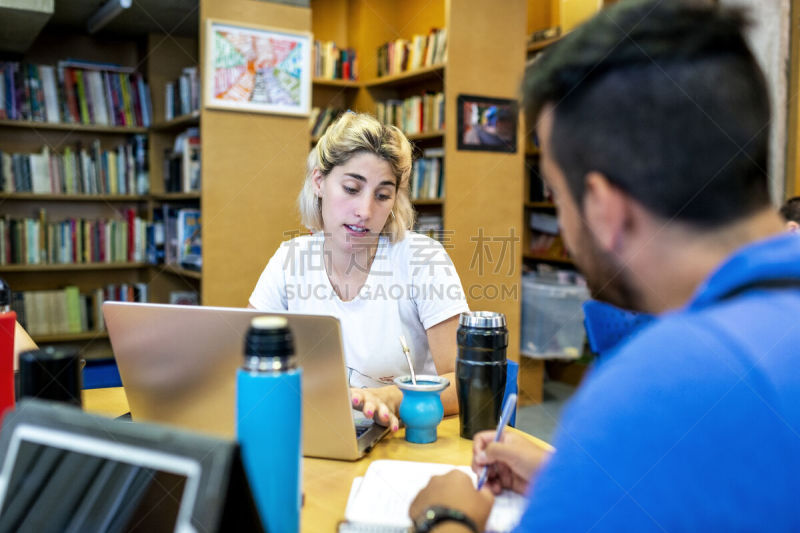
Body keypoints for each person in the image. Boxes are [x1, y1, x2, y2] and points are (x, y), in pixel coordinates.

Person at [409, 1, 800, 531]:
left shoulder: (665, 380)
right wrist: (571, 476)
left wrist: (446, 517)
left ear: (603, 207)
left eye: (557, 195)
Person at [249, 112, 469, 432]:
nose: (365, 211)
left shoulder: (423, 259)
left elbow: (466, 384)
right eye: (352, 188)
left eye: (382, 195)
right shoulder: (290, 259)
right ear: (319, 181)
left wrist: (390, 398)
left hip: (403, 442)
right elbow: (242, 362)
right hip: (313, 436)